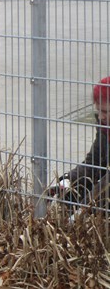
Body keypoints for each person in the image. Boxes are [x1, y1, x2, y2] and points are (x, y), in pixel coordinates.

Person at [50, 76, 110, 208]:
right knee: (71, 193)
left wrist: (83, 209)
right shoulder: (105, 128)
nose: (100, 116)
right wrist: (68, 180)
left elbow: (107, 183)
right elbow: (93, 161)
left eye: (105, 111)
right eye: (98, 110)